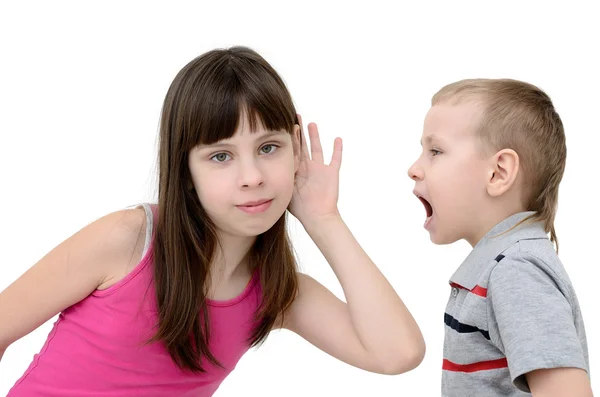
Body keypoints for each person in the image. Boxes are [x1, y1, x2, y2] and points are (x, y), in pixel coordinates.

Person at [0, 46, 425, 397]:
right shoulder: (128, 240)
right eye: (221, 156)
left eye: (270, 147)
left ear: (295, 151)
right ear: (186, 171)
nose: (253, 177)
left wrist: (324, 219)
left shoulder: (276, 294)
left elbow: (398, 353)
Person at [408, 78, 592, 396]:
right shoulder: (502, 267)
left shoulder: (516, 271)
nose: (414, 168)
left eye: (435, 151)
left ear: (499, 173)